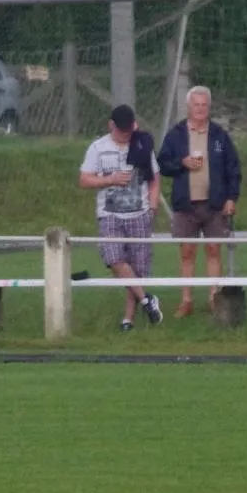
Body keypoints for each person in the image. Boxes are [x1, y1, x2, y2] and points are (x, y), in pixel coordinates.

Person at [156, 86, 241, 318]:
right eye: (196, 104)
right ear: (188, 106)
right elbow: (163, 164)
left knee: (214, 250)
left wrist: (231, 198)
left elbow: (233, 168)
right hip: (185, 204)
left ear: (209, 107)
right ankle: (186, 301)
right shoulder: (176, 135)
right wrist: (181, 163)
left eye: (204, 105)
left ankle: (214, 297)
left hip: (214, 204)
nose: (201, 109)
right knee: (187, 252)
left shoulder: (219, 136)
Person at [78, 104, 162, 331]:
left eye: (128, 130)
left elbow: (154, 179)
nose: (125, 135)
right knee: (114, 258)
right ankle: (146, 300)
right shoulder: (98, 148)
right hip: (109, 214)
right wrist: (110, 179)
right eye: (121, 131)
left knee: (137, 269)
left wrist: (152, 207)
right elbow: (84, 179)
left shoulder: (143, 144)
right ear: (111, 126)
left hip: (140, 213)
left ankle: (128, 319)